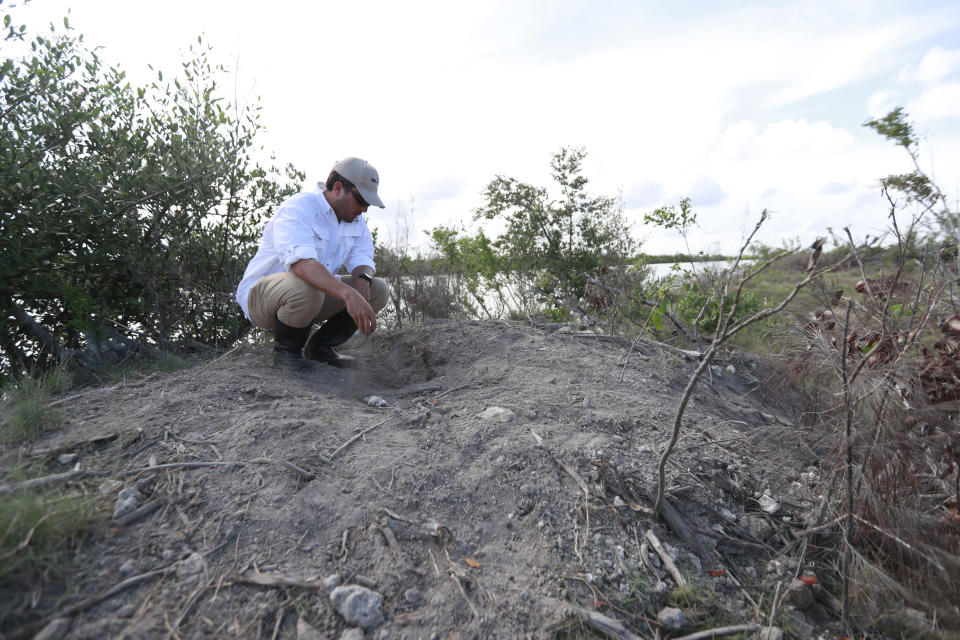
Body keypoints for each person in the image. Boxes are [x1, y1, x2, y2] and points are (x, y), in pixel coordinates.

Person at [235, 157, 389, 370]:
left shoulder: (355, 220)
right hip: (262, 297)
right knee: (309, 286)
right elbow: (302, 265)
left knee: (378, 288)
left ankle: (320, 349)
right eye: (361, 201)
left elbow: (363, 257)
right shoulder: (299, 208)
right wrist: (348, 294)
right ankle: (287, 356)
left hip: (308, 296)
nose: (364, 210)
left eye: (368, 204)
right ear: (338, 188)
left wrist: (362, 282)